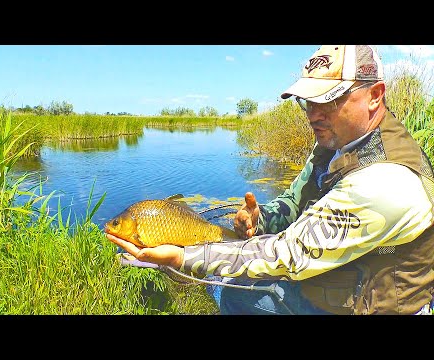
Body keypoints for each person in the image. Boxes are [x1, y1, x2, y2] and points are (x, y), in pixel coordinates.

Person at [106, 45, 434, 315]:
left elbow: (288, 254)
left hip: (373, 307)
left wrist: (185, 257)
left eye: (329, 100)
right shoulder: (336, 142)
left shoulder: (386, 182)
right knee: (239, 285)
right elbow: (293, 203)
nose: (313, 114)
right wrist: (260, 220)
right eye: (308, 102)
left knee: (237, 291)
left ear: (375, 95)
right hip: (340, 282)